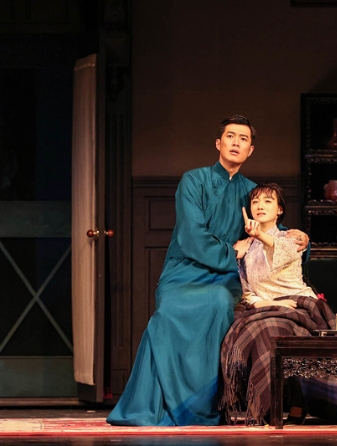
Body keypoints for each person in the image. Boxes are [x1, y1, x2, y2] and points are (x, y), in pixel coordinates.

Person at [106, 115, 309, 426]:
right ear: (218, 143)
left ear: (250, 150)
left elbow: (271, 230)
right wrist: (232, 250)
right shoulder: (193, 180)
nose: (236, 143)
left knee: (217, 302)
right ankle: (156, 404)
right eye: (230, 136)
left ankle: (200, 405)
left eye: (243, 139)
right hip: (184, 271)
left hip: (227, 276)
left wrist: (301, 241)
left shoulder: (251, 191)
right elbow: (191, 234)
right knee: (168, 313)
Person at [219, 183, 337, 426]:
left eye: (268, 201)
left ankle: (295, 403)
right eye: (255, 201)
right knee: (262, 329)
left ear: (279, 209)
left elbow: (282, 251)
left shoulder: (290, 238)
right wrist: (263, 302)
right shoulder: (246, 246)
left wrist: (259, 235)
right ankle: (264, 409)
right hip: (266, 308)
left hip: (299, 307)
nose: (260, 206)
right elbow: (245, 288)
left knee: (271, 329)